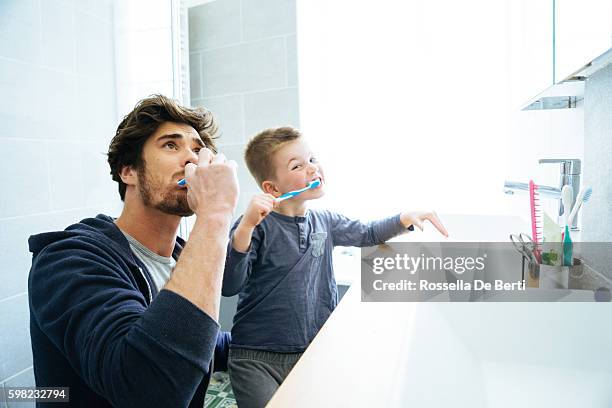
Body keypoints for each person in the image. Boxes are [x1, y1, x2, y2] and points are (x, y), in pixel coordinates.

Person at [28, 95, 239, 407]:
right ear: (128, 171)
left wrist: (278, 345)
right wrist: (216, 214)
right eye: (171, 145)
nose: (192, 160)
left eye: (198, 149)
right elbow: (149, 388)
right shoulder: (68, 259)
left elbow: (201, 341)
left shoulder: (184, 257)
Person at [222, 126, 449, 407]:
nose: (312, 169)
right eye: (298, 165)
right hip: (255, 358)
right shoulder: (256, 227)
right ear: (272, 188)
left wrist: (406, 217)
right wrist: (244, 227)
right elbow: (230, 286)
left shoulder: (326, 221)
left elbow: (367, 232)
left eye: (312, 159)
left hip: (312, 352)